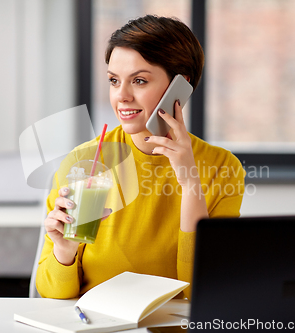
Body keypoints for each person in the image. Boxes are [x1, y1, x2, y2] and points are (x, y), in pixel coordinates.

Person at [36, 15, 245, 300]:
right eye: (113, 80)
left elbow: (202, 291)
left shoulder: (222, 168)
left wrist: (190, 184)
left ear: (179, 89)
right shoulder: (85, 160)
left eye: (139, 80)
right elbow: (51, 293)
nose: (121, 96)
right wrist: (64, 251)